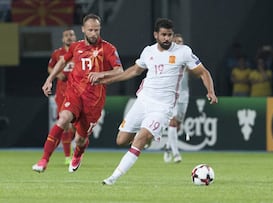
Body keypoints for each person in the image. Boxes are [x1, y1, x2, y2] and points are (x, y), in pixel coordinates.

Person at [88, 18, 218, 185]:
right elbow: (134, 71)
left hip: (163, 107)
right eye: (163, 35)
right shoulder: (148, 52)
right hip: (144, 100)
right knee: (121, 140)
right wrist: (106, 77)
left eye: (169, 35)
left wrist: (211, 91)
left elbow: (203, 72)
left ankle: (113, 177)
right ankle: (148, 138)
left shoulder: (183, 52)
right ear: (156, 34)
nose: (167, 38)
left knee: (140, 138)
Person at [32, 13, 123, 173]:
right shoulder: (76, 47)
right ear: (83, 30)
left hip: (94, 101)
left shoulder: (108, 48)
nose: (94, 33)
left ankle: (77, 155)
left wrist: (102, 74)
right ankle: (44, 160)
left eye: (96, 30)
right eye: (90, 30)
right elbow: (62, 61)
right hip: (74, 94)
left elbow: (120, 71)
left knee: (80, 139)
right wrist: (49, 79)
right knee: (63, 119)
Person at [47, 28, 77, 165]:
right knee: (66, 125)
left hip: (78, 93)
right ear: (62, 39)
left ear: (75, 37)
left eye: (71, 35)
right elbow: (50, 67)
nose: (69, 37)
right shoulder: (57, 54)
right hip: (62, 94)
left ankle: (64, 144)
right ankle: (67, 157)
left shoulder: (81, 52)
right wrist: (57, 74)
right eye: (66, 35)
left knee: (76, 128)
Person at [163, 33, 189, 163]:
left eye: (181, 41)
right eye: (177, 41)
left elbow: (195, 70)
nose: (179, 43)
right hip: (171, 94)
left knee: (178, 125)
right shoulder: (167, 56)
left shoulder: (187, 56)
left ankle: (168, 147)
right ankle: (176, 153)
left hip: (184, 95)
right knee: (172, 122)